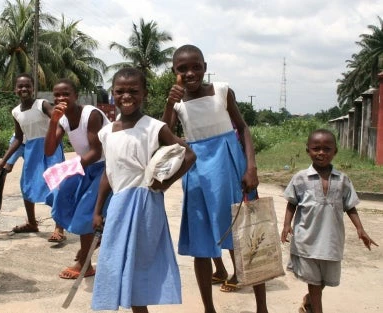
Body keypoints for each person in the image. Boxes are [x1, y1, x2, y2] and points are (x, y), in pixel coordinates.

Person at [162, 44, 267, 313]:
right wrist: (167, 104)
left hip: (230, 167)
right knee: (201, 240)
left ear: (205, 68)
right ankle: (209, 308)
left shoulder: (222, 91)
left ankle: (262, 308)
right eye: (182, 68)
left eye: (196, 66)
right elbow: (163, 136)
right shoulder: (176, 102)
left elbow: (242, 128)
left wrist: (251, 167)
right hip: (196, 172)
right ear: (174, 72)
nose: (190, 73)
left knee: (245, 235)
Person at [92, 68, 196, 313]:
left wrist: (167, 182)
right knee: (116, 263)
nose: (126, 96)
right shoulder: (106, 132)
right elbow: (109, 172)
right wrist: (98, 210)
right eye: (120, 91)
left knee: (139, 267)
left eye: (133, 91)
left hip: (145, 203)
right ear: (112, 94)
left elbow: (189, 155)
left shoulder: (154, 127)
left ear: (145, 94)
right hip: (118, 205)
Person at [281, 129, 378, 313]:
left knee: (324, 280)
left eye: (327, 148)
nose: (321, 153)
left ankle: (309, 301)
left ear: (335, 151)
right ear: (308, 150)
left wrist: (361, 229)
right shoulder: (300, 178)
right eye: (316, 148)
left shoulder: (342, 180)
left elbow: (350, 206)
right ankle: (316, 309)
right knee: (314, 282)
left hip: (331, 241)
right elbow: (292, 203)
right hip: (307, 240)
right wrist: (287, 225)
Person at [44, 78, 110, 278]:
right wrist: (53, 121)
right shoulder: (63, 119)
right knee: (61, 198)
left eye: (66, 94)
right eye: (57, 95)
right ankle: (93, 242)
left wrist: (70, 167)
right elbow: (49, 150)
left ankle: (85, 264)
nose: (61, 98)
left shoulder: (90, 115)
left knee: (85, 212)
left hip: (105, 167)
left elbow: (97, 152)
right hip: (86, 166)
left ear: (76, 96)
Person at [0, 73, 65, 239]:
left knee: (56, 186)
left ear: (33, 88)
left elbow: (59, 121)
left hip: (51, 148)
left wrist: (54, 141)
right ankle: (32, 223)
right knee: (26, 185)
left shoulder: (41, 104)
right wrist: (4, 160)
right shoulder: (15, 112)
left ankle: (59, 229)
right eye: (20, 86)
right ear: (15, 90)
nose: (24, 89)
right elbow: (18, 138)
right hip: (32, 150)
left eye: (27, 85)